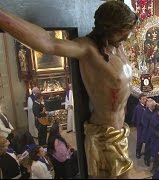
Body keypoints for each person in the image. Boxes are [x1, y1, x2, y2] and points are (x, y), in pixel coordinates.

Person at [0, 1, 138, 178]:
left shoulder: (118, 46)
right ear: (107, 29)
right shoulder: (88, 49)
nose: (126, 37)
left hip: (121, 131)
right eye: (121, 32)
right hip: (105, 136)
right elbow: (47, 42)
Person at [141, 99, 156, 166]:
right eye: (152, 106)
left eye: (154, 106)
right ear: (149, 106)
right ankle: (146, 159)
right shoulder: (145, 113)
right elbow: (144, 123)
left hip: (154, 133)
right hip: (148, 133)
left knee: (153, 146)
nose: (154, 107)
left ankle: (152, 157)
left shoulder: (154, 111)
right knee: (148, 147)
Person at [132, 93, 147, 159]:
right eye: (143, 99)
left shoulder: (146, 106)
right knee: (140, 140)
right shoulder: (138, 108)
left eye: (145, 99)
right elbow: (138, 119)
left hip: (146, 126)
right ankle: (138, 152)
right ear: (139, 100)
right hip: (141, 127)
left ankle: (146, 151)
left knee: (146, 139)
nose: (145, 100)